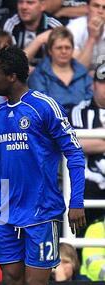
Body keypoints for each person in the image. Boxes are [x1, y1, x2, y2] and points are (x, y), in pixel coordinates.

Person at [0, 46, 86, 285]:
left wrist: (76, 202)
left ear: (12, 77)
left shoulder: (43, 106)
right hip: (5, 213)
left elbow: (74, 154)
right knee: (10, 284)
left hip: (41, 210)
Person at [70, 62, 105, 227]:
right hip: (89, 189)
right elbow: (77, 143)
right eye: (102, 82)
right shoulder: (80, 111)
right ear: (93, 85)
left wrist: (97, 141)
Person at [28, 26, 92, 114]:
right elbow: (41, 106)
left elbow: (90, 101)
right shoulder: (38, 76)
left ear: (73, 49)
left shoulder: (84, 74)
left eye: (67, 47)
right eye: (59, 48)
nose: (64, 51)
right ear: (50, 50)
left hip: (82, 122)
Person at [1, 0, 61, 67]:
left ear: (42, 6)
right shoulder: (10, 24)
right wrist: (39, 40)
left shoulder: (54, 26)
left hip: (47, 75)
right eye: (20, 2)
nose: (24, 7)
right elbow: (7, 64)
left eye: (30, 2)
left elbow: (64, 62)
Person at [67, 0, 105, 71]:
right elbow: (77, 70)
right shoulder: (73, 29)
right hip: (78, 79)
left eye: (104, 7)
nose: (100, 11)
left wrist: (97, 75)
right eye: (96, 6)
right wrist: (92, 38)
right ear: (88, 8)